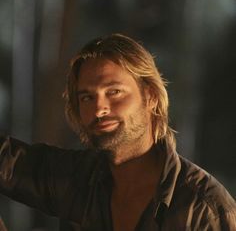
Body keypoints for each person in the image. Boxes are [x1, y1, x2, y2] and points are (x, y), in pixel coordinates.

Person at [0, 33, 235, 231]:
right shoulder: (80, 178)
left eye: (114, 92)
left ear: (151, 96)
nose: (99, 109)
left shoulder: (205, 209)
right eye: (87, 97)